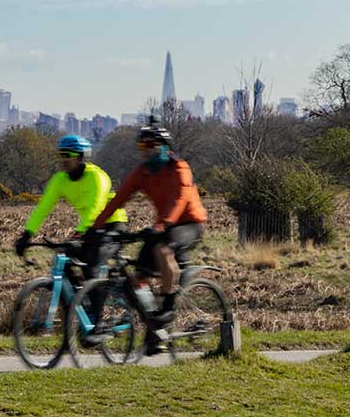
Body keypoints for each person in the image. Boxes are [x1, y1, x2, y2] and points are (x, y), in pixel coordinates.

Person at [91, 119, 207, 351]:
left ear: (163, 146)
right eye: (142, 147)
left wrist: (162, 225)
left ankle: (168, 307)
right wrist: (96, 227)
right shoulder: (143, 172)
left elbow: (179, 200)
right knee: (138, 277)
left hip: (189, 223)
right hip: (162, 226)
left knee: (163, 250)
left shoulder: (179, 168)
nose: (145, 152)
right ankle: (156, 333)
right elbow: (119, 198)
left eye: (150, 146)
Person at [14, 134, 128, 284]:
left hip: (112, 224)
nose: (63, 159)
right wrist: (27, 234)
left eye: (68, 155)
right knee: (64, 261)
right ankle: (78, 300)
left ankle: (95, 306)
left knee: (91, 267)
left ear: (80, 157)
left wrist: (79, 234)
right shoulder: (60, 180)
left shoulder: (97, 177)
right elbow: (43, 208)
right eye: (61, 154)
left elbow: (94, 209)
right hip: (89, 228)